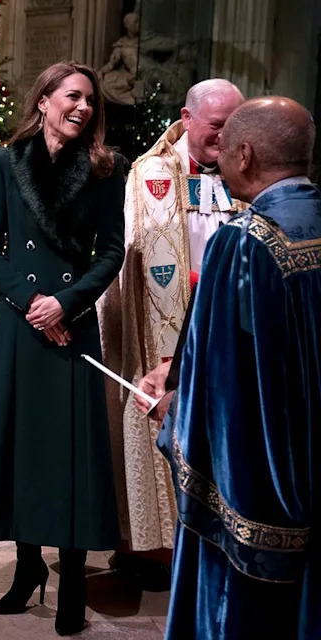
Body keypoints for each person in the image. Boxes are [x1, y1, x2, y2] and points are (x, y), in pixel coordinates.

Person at [0, 61, 125, 636]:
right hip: (19, 322)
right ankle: (28, 567)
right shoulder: (5, 163)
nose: (82, 107)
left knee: (72, 450)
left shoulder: (106, 168)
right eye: (72, 96)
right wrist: (34, 302)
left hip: (74, 324)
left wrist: (67, 303)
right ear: (45, 99)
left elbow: (111, 252)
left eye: (89, 100)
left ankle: (73, 580)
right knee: (22, 444)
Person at [157, 96, 320, 639]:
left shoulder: (244, 243)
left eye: (224, 148)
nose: (218, 158)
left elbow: (221, 385)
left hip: (263, 500)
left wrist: (172, 412)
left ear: (245, 154)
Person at [98, 79, 246, 559]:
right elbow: (128, 257)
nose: (224, 139)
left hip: (225, 322)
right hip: (162, 328)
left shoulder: (246, 171)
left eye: (233, 128)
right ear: (186, 118)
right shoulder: (150, 173)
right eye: (215, 127)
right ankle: (154, 546)